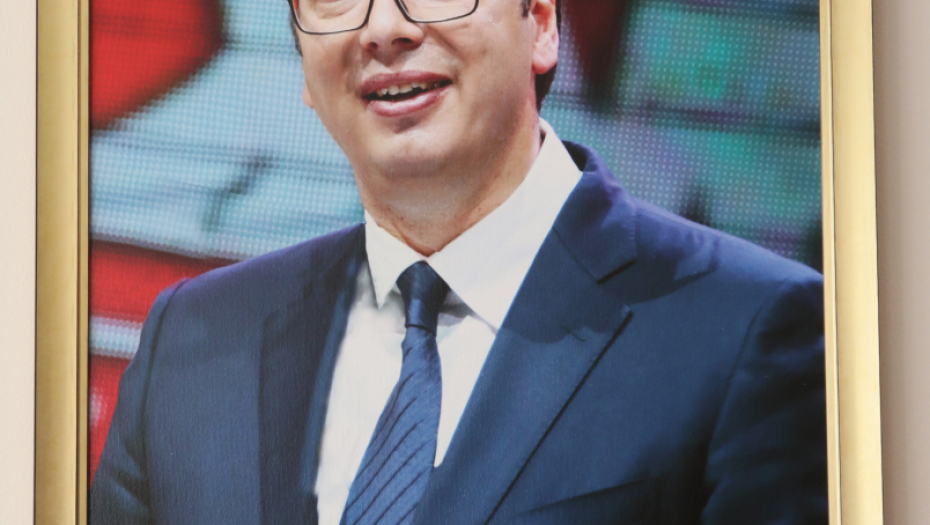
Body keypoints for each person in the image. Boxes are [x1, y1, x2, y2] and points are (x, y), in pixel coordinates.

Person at [90, 0, 827, 523]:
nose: (385, 28)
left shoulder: (749, 329)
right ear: (305, 73)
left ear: (542, 23)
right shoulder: (193, 339)